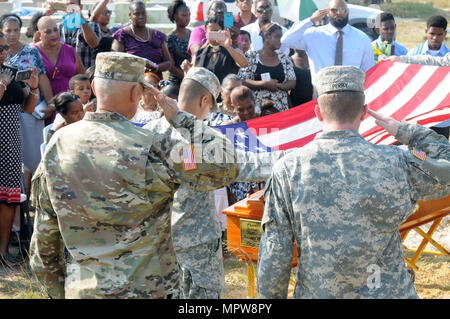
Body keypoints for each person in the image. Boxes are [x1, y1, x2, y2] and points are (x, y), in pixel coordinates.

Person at [29, 53, 240, 299]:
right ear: (135, 94)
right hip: (148, 291)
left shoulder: (58, 145)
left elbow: (44, 244)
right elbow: (227, 165)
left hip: (84, 291)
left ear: (95, 87)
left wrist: (60, 292)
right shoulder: (154, 146)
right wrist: (182, 120)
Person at [257, 65, 450, 299]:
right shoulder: (397, 162)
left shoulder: (288, 169)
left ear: (317, 112)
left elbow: (275, 255)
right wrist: (405, 131)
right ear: (364, 112)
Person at [144, 69, 286, 299]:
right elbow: (244, 164)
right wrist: (293, 158)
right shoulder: (201, 139)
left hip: (156, 247)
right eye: (210, 107)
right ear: (205, 100)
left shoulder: (147, 134)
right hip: (196, 250)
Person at [0, 32, 39, 268]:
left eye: (5, 48)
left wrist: (33, 89)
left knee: (7, 200)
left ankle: (3, 252)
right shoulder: (6, 76)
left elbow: (26, 108)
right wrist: (2, 84)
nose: (3, 52)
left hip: (10, 143)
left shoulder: (12, 72)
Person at [1, 14, 54, 174]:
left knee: (29, 165)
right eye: (8, 30)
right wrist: (3, 83)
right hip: (3, 129)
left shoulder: (26, 56)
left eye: (16, 30)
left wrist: (36, 91)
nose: (12, 34)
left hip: (18, 124)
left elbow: (40, 81)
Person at [280, 1, 374, 86]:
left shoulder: (362, 38)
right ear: (327, 12)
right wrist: (311, 20)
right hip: (321, 94)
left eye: (343, 10)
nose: (338, 13)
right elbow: (286, 40)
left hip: (352, 94)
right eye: (334, 10)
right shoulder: (314, 34)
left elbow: (369, 71)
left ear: (348, 12)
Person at [33, 16, 84, 125]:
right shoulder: (33, 52)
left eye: (55, 30)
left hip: (71, 106)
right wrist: (51, 105)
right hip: (45, 107)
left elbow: (80, 75)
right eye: (48, 32)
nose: (53, 34)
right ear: (39, 34)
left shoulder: (69, 50)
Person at [238, 23, 296, 112]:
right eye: (277, 36)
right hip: (257, 110)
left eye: (281, 36)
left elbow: (292, 82)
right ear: (266, 36)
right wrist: (264, 84)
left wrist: (279, 86)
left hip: (281, 109)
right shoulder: (251, 57)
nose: (281, 40)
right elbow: (243, 80)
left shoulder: (284, 58)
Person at [111, 1, 173, 80]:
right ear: (130, 15)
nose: (141, 16)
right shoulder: (122, 35)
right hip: (131, 82)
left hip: (154, 83)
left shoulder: (158, 35)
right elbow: (116, 62)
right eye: (136, 14)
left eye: (143, 13)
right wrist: (137, 68)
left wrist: (156, 67)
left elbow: (168, 62)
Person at [45, 0, 102, 70]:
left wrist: (80, 16)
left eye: (72, 5)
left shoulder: (92, 26)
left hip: (84, 78)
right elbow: (39, 41)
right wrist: (46, 14)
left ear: (80, 7)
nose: (69, 9)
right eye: (66, 6)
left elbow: (94, 44)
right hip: (62, 77)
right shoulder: (56, 28)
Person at [190, 17, 248, 85]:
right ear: (206, 34)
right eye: (211, 32)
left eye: (216, 31)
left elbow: (244, 64)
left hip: (227, 91)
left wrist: (228, 47)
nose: (214, 34)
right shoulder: (200, 53)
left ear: (222, 32)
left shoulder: (231, 49)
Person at [166, 0, 191, 95]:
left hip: (191, 79)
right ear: (175, 16)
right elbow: (171, 66)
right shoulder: (170, 38)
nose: (187, 18)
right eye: (184, 15)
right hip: (176, 83)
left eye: (188, 15)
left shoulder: (192, 34)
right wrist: (186, 76)